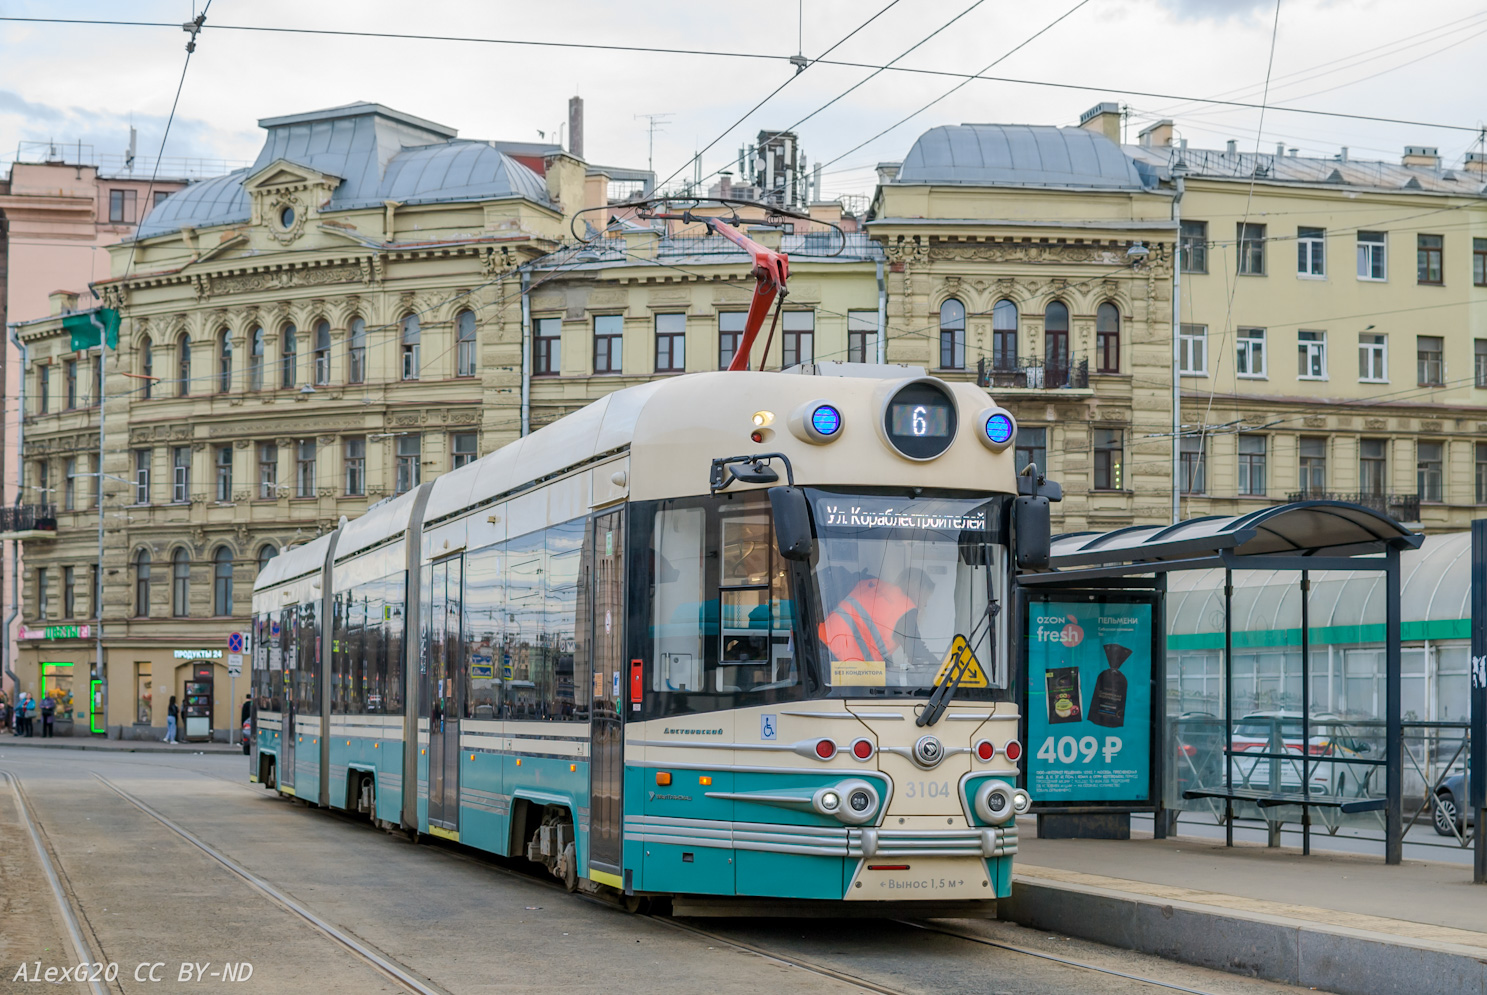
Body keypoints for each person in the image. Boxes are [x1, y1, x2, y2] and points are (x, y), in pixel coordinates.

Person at [817, 567, 938, 671]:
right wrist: (942, 669)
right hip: (838, 658)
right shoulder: (904, 608)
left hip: (820, 641)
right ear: (917, 591)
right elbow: (916, 653)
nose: (925, 604)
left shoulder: (874, 585)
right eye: (926, 597)